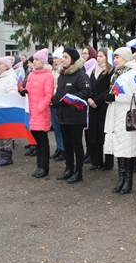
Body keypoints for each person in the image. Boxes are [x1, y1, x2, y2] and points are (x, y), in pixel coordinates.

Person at [103, 47, 136, 195]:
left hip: (128, 116)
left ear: (126, 58)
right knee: (119, 148)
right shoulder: (116, 74)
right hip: (115, 114)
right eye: (114, 58)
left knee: (127, 149)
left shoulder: (133, 74)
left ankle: (128, 181)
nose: (115, 60)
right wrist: (110, 98)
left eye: (118, 57)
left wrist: (116, 98)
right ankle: (120, 179)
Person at [51, 47, 91, 184]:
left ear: (73, 60)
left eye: (66, 57)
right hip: (62, 116)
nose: (63, 59)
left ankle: (78, 172)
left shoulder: (80, 74)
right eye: (63, 57)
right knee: (67, 145)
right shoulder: (63, 74)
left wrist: (70, 99)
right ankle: (69, 169)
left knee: (76, 145)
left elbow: (86, 92)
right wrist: (55, 99)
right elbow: (58, 92)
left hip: (75, 116)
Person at [22, 48, 54, 178]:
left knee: (42, 141)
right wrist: (23, 91)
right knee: (36, 141)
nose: (34, 62)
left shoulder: (48, 76)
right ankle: (38, 165)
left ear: (42, 61)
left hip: (40, 112)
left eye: (36, 60)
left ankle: (44, 167)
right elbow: (28, 90)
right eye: (33, 59)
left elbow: (48, 95)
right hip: (31, 112)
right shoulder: (31, 74)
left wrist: (40, 107)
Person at [87, 48, 115, 170]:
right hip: (93, 107)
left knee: (104, 134)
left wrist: (96, 100)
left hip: (104, 106)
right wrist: (88, 98)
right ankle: (95, 160)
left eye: (101, 56)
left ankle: (108, 162)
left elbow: (110, 89)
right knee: (94, 134)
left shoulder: (111, 72)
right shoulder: (94, 71)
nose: (98, 58)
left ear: (107, 58)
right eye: (97, 56)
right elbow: (88, 86)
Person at [82, 45, 98, 164]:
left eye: (86, 53)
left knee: (91, 128)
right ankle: (88, 152)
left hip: (91, 100)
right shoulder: (83, 67)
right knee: (86, 128)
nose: (83, 55)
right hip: (84, 100)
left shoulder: (93, 65)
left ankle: (91, 152)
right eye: (82, 53)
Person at [50, 46, 65, 161]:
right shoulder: (53, 69)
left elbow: (58, 85)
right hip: (52, 100)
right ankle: (58, 147)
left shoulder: (61, 70)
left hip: (57, 100)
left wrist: (54, 95)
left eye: (56, 58)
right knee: (55, 126)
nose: (54, 60)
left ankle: (63, 148)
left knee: (60, 126)